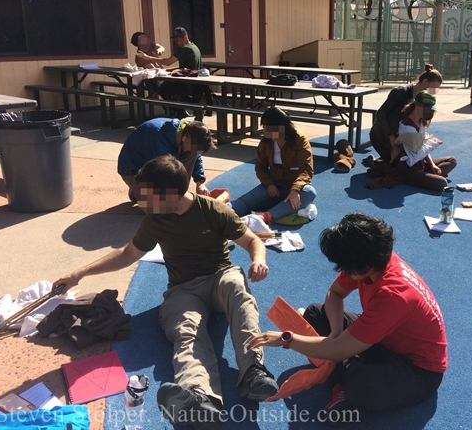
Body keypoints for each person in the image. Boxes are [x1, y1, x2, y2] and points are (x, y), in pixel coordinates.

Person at [54, 155, 279, 429]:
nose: (141, 203)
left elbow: (252, 240)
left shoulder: (212, 210)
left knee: (240, 295)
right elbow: (128, 254)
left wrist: (259, 259)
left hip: (220, 275)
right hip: (184, 288)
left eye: (147, 197)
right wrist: (80, 274)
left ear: (171, 194)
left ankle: (253, 372)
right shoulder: (154, 219)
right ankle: (201, 398)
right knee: (187, 330)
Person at [248, 213, 447, 422]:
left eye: (345, 267)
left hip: (417, 369)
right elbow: (334, 294)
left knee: (364, 385)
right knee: (316, 312)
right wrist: (335, 332)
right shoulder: (372, 257)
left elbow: (336, 350)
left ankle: (344, 381)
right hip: (386, 340)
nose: (342, 271)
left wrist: (286, 339)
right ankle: (346, 369)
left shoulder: (393, 294)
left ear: (363, 265)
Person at [229, 107, 316, 224]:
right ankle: (220, 213)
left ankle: (268, 216)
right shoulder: (266, 142)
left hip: (294, 187)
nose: (263, 130)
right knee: (245, 202)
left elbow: (306, 169)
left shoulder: (299, 139)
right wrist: (269, 184)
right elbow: (260, 166)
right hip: (273, 186)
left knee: (309, 192)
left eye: (265, 127)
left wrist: (295, 189)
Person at [118, 118, 215, 203]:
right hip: (134, 169)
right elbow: (157, 172)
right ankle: (137, 189)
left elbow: (196, 156)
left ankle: (181, 192)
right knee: (159, 209)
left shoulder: (189, 134)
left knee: (192, 152)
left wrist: (200, 183)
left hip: (157, 165)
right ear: (184, 138)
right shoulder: (158, 137)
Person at [368, 64, 443, 165]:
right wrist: (391, 136)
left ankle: (382, 160)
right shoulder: (401, 92)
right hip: (381, 136)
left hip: (400, 139)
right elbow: (380, 114)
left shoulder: (422, 99)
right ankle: (376, 162)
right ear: (425, 82)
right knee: (400, 167)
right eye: (433, 89)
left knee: (412, 163)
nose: (434, 93)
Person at [390, 91, 456, 191]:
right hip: (408, 169)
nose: (429, 112)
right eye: (426, 109)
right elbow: (418, 151)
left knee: (452, 160)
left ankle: (427, 176)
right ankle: (426, 178)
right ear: (417, 105)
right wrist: (432, 143)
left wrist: (432, 165)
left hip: (420, 165)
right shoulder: (405, 126)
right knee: (442, 183)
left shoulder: (420, 123)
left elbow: (423, 147)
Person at [137, 27, 203, 109]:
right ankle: (180, 109)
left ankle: (176, 110)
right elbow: (185, 68)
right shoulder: (194, 46)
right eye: (175, 39)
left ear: (186, 37)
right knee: (163, 87)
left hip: (186, 83)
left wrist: (147, 57)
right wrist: (166, 70)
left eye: (178, 38)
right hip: (194, 82)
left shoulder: (185, 49)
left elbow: (168, 62)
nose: (176, 41)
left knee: (159, 87)